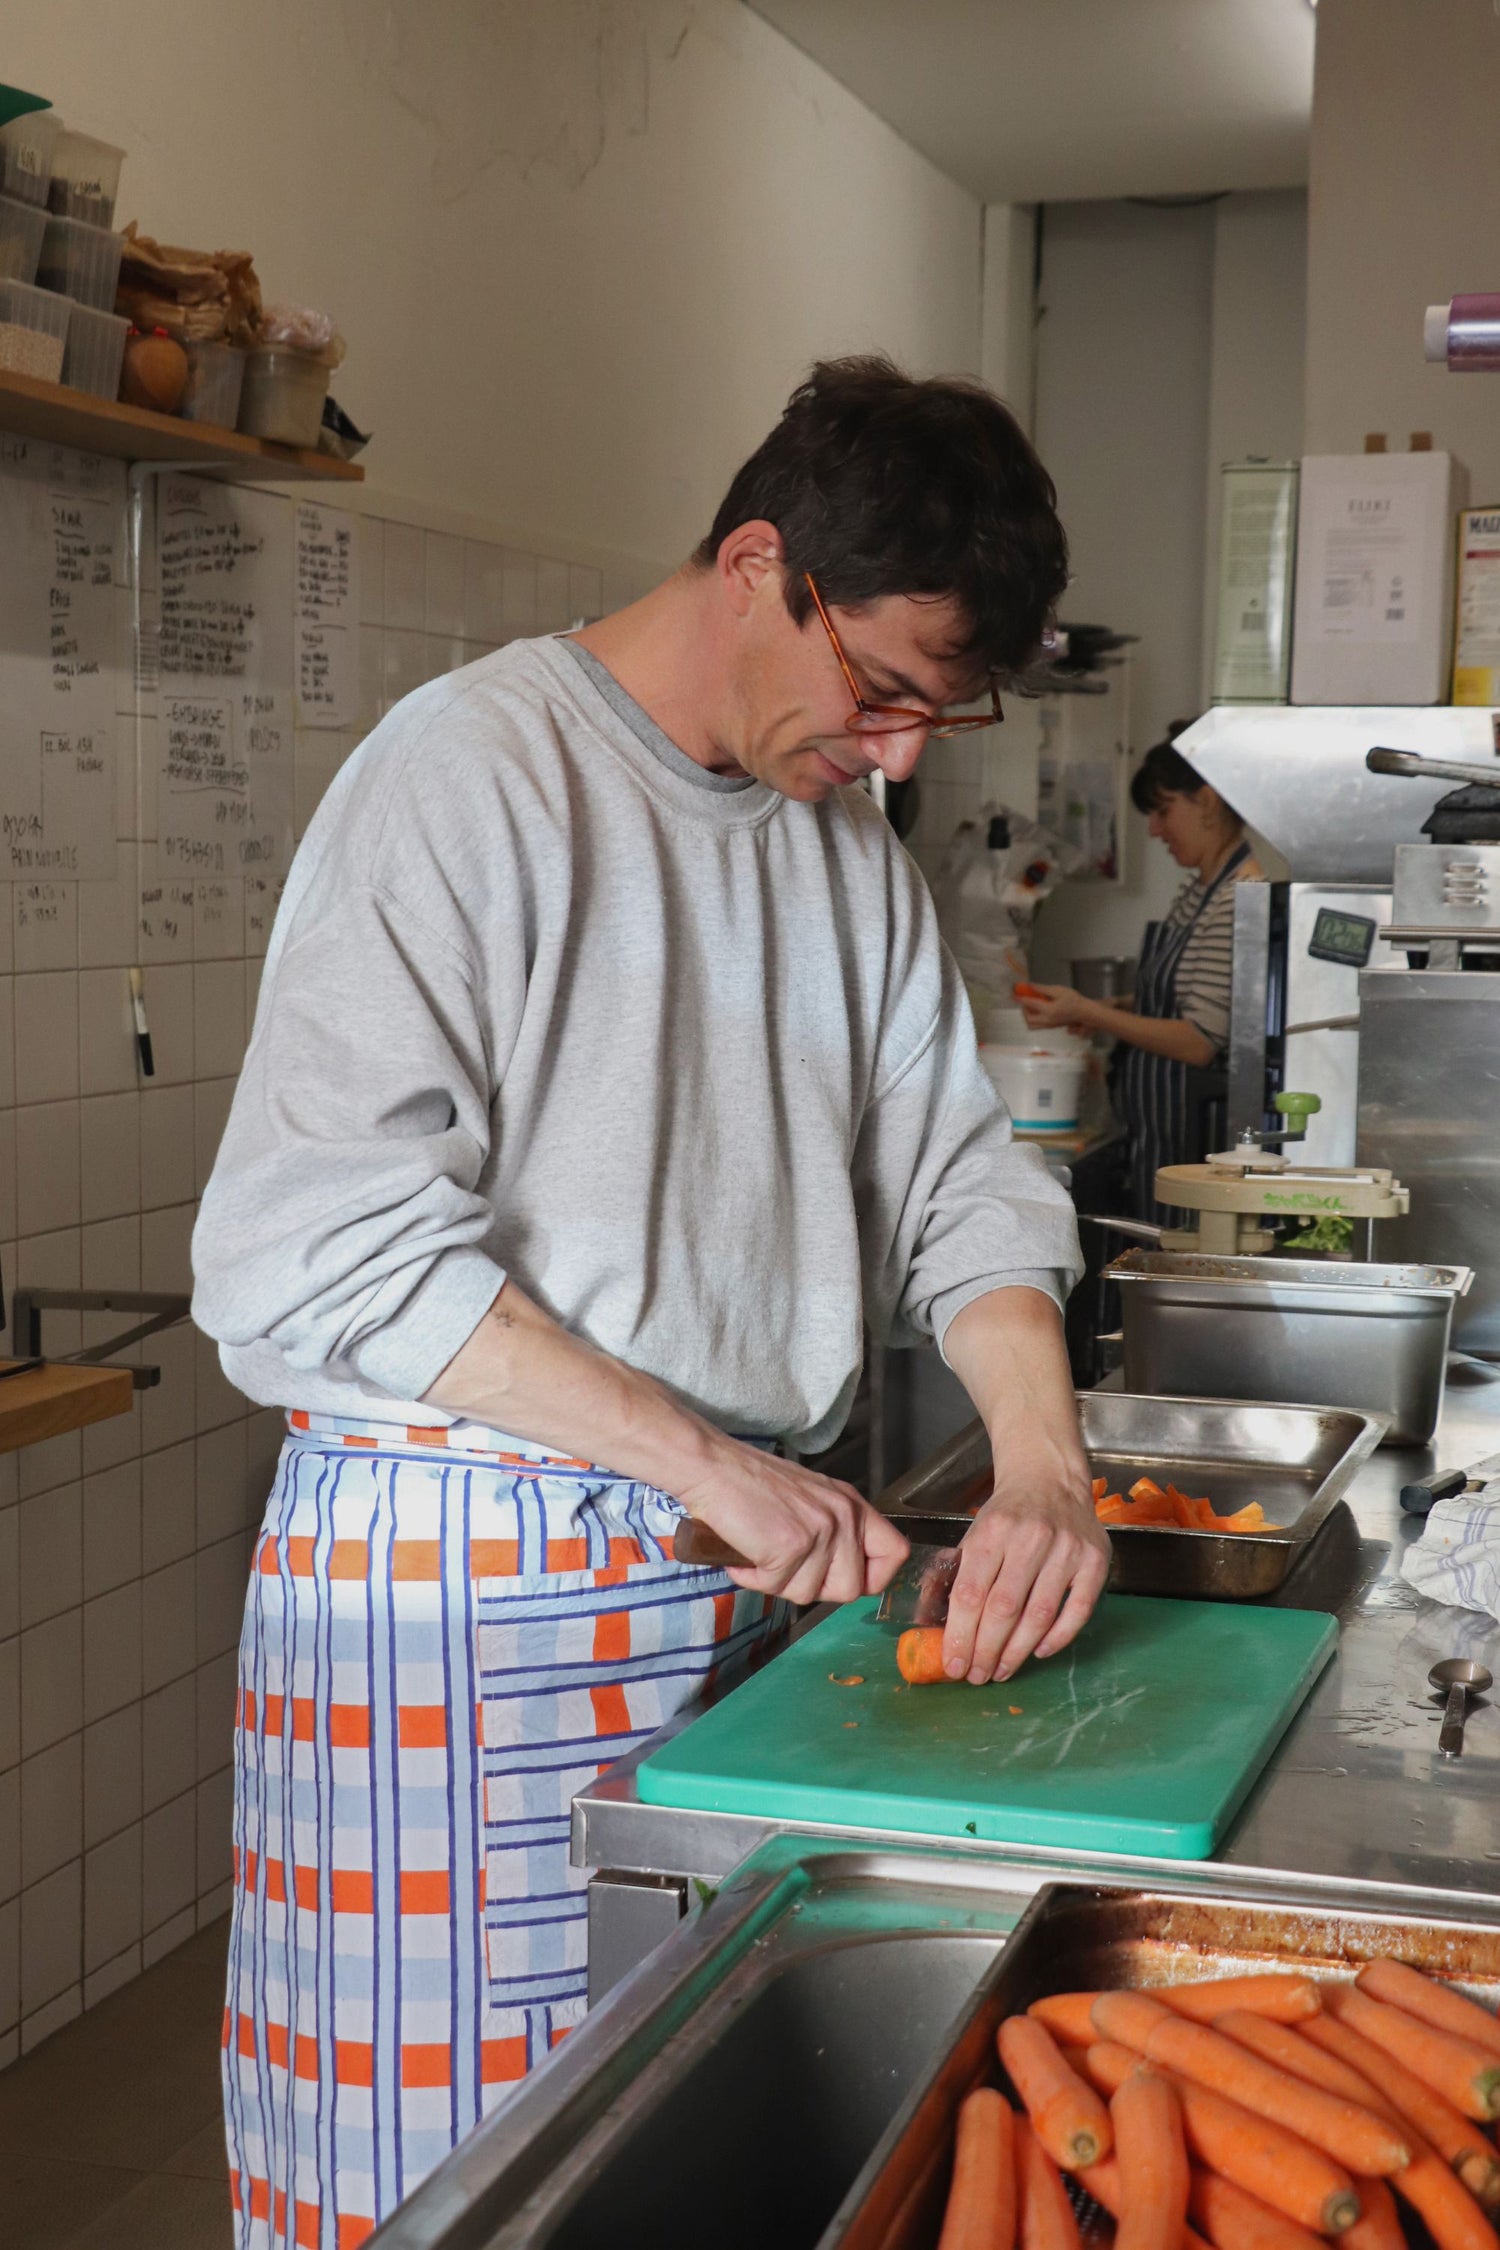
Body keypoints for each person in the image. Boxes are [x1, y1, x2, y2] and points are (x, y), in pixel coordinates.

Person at [192, 355, 1111, 2244]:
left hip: (735, 1573)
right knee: (444, 2187)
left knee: (674, 2163)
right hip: (461, 1590)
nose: (902, 756)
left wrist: (1042, 1462)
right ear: (760, 565)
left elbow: (960, 1178)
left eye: (942, 713)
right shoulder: (475, 775)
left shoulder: (840, 849)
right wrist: (709, 1461)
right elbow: (318, 1233)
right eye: (883, 690)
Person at [1019, 734, 1261, 1220]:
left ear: (1207, 801)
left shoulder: (1242, 895)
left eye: (1163, 811)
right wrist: (1106, 1007)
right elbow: (1183, 995)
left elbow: (1199, 1040)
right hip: (1160, 1135)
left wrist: (1090, 1012)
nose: (1153, 829)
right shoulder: (1200, 888)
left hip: (1194, 1146)